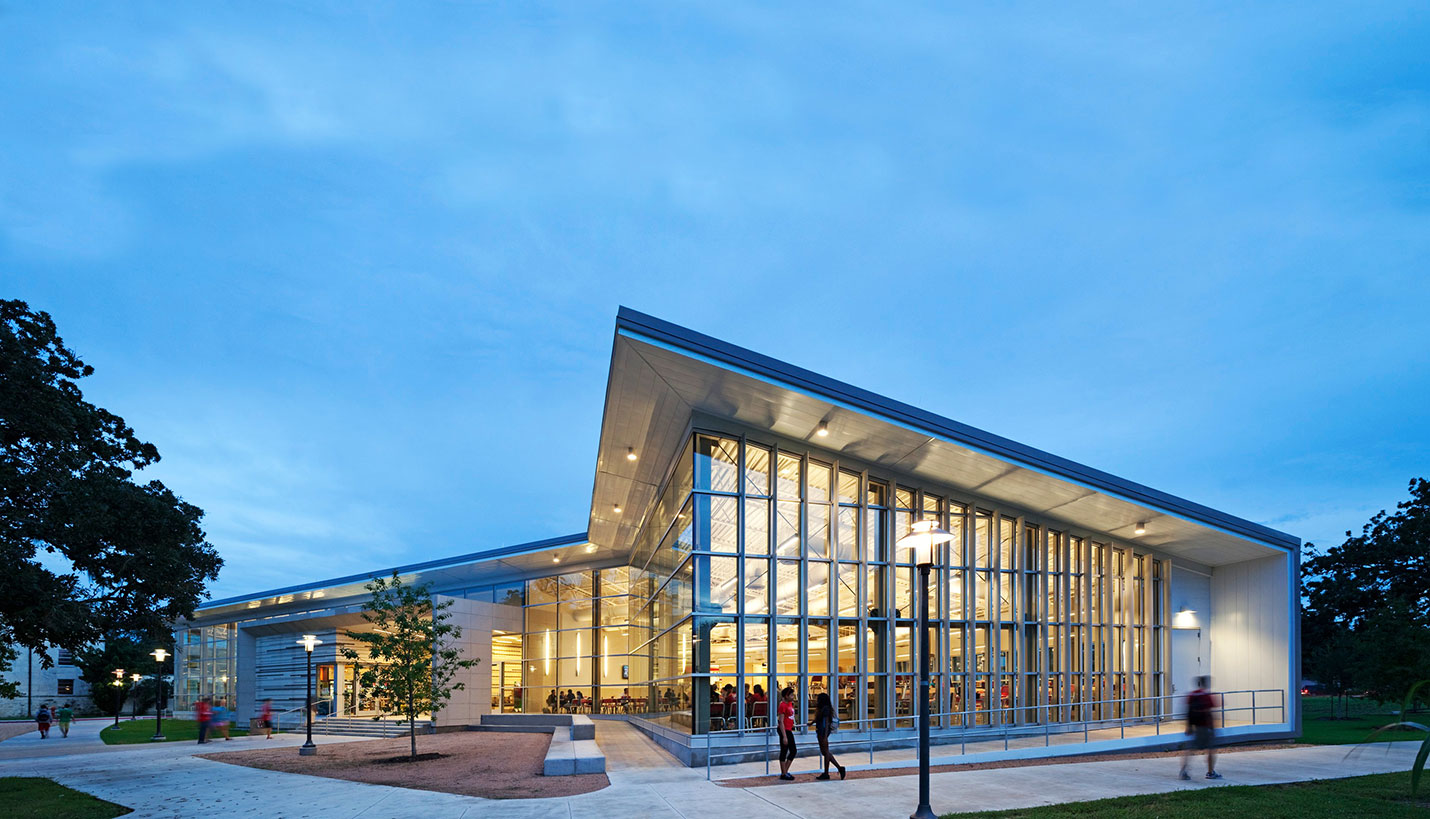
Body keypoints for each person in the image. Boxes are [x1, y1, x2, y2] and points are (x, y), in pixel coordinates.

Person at [1179, 675, 1221, 780]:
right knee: (1211, 750)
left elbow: (1187, 711)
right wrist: (1214, 727)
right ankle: (1211, 772)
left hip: (1196, 726)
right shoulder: (1207, 696)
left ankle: (1183, 770)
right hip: (1206, 727)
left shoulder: (1192, 695)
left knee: (1191, 749)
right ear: (1207, 684)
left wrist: (1188, 726)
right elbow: (1210, 712)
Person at [809, 691, 846, 780]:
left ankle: (828, 772)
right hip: (821, 731)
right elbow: (819, 719)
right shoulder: (824, 708)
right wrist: (812, 722)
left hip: (822, 732)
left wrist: (825, 736)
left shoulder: (825, 709)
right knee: (825, 752)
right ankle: (838, 769)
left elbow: (826, 722)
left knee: (825, 752)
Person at [776, 687, 798, 780]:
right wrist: (784, 736)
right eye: (791, 695)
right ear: (786, 696)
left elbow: (790, 716)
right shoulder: (782, 705)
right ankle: (784, 773)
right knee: (785, 750)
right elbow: (780, 721)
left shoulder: (790, 703)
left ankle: (784, 771)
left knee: (793, 750)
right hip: (784, 730)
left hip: (789, 728)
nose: (793, 697)